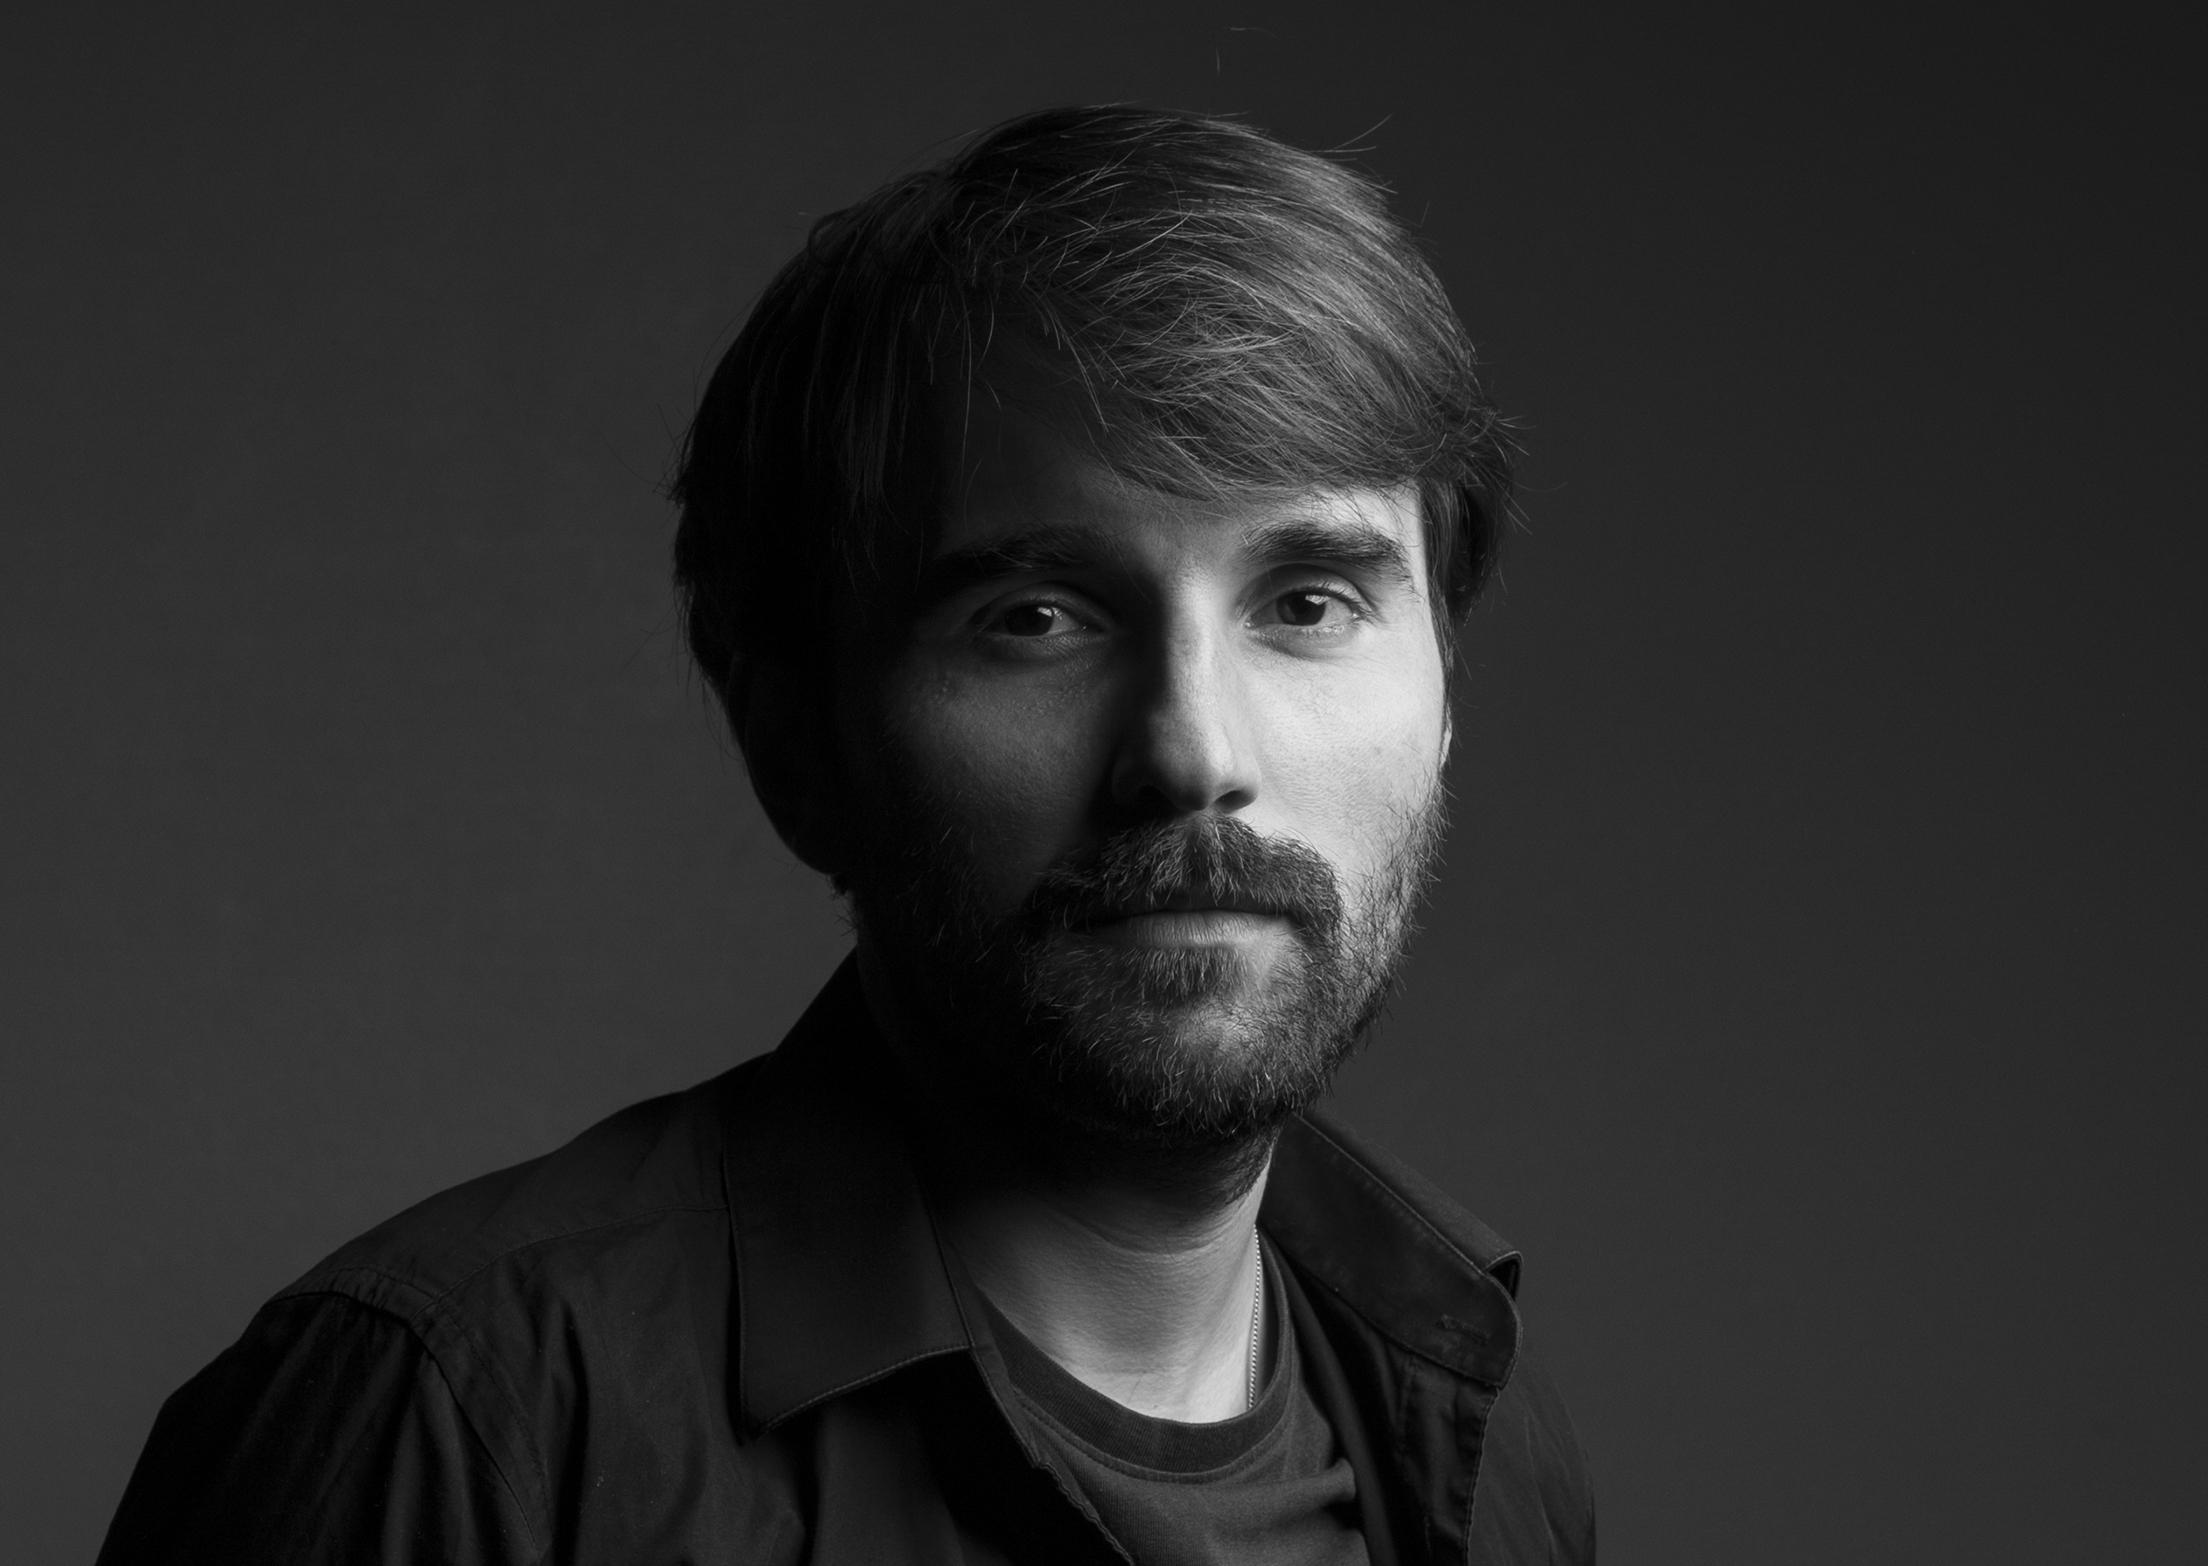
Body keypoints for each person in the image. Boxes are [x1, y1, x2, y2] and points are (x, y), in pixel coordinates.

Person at [99, 104, 1596, 1564]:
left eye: (1308, 603)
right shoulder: (452, 1431)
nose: (1194, 751)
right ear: (792, 733)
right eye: (1038, 618)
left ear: (1444, 690)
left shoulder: (1487, 1446)